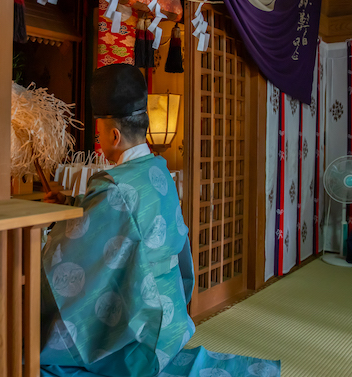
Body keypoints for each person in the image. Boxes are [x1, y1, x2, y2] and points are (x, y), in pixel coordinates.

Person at [40, 64, 281, 377]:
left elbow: (72, 256)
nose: (98, 139)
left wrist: (45, 238)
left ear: (114, 135)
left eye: (98, 132)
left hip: (137, 328)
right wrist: (72, 205)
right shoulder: (159, 172)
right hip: (170, 321)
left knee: (45, 357)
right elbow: (125, 221)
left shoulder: (113, 185)